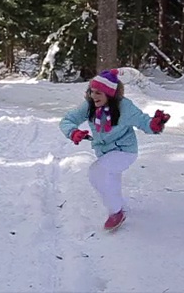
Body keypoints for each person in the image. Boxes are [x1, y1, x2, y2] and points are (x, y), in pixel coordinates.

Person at [59, 69, 170, 231]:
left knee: (96, 173)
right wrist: (73, 131)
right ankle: (119, 206)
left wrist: (154, 124)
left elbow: (142, 121)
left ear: (109, 94)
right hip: (104, 152)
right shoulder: (89, 105)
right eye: (91, 91)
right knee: (109, 180)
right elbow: (67, 120)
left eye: (98, 93)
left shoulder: (124, 107)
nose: (94, 96)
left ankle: (116, 212)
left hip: (125, 151)